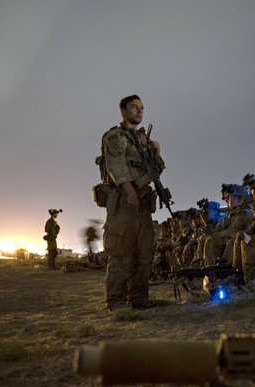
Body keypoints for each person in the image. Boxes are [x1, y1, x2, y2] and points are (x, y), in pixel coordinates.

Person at [101, 94, 166, 312]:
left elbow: (157, 168)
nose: (139, 111)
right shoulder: (115, 136)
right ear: (123, 110)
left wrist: (157, 150)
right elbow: (115, 168)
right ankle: (116, 301)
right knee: (122, 252)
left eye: (142, 108)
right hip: (124, 202)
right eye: (134, 107)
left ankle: (139, 298)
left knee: (144, 252)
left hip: (144, 202)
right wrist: (130, 192)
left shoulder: (144, 141)